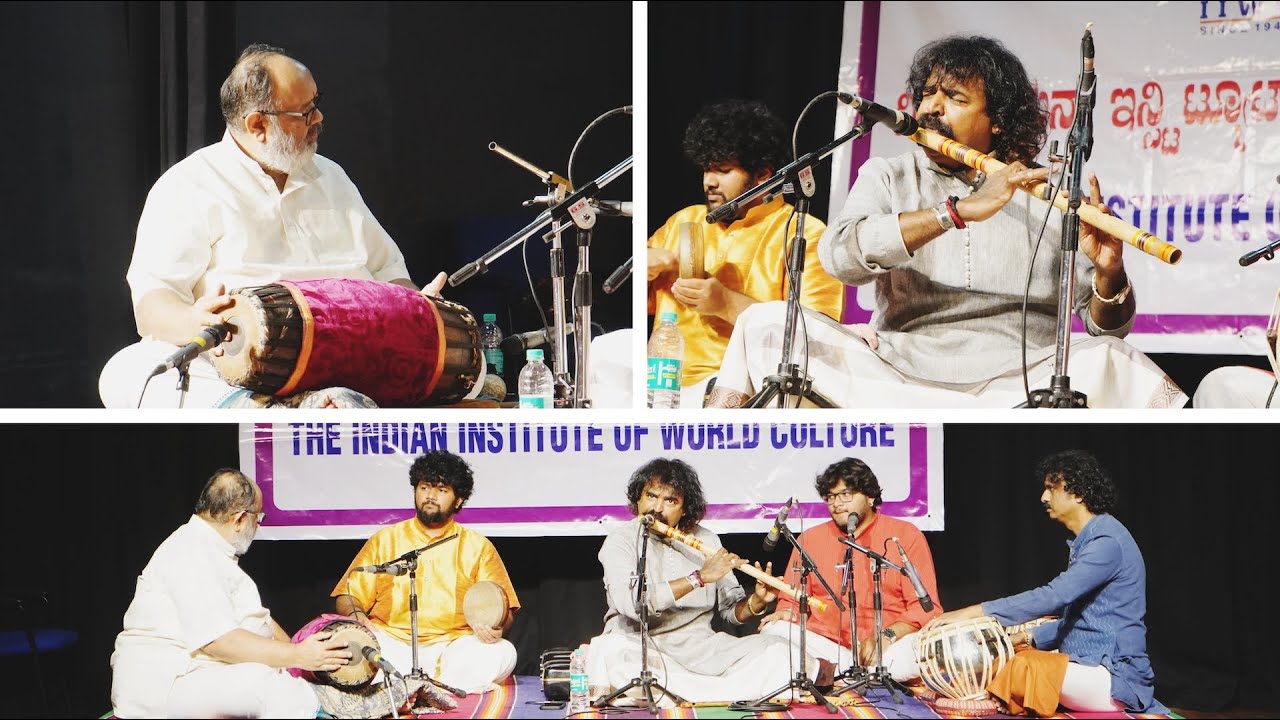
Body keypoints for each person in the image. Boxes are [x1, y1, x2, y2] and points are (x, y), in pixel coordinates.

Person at [708, 35, 1186, 409]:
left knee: (1113, 360)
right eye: (926, 94)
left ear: (997, 120)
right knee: (764, 322)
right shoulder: (889, 175)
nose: (931, 108)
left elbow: (1107, 331)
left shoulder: (1047, 193)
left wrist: (1108, 274)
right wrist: (951, 213)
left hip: (1020, 382)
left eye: (953, 97)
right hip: (898, 373)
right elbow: (841, 256)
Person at [98, 43, 449, 409]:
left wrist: (417, 309)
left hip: (354, 357)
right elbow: (152, 302)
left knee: (471, 364)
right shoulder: (188, 184)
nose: (319, 118)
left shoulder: (332, 177)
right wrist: (192, 319)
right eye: (305, 112)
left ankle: (319, 402)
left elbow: (388, 270)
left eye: (317, 102)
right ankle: (273, 408)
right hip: (245, 368)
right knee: (128, 371)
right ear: (258, 125)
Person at [110, 469, 417, 718]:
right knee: (268, 687)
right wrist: (298, 656)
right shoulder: (190, 551)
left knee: (285, 680)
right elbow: (220, 642)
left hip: (195, 674)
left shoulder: (214, 552)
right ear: (240, 518)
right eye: (259, 518)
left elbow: (259, 621)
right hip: (165, 685)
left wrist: (302, 658)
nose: (258, 526)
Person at [925, 450, 1167, 714]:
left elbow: (1053, 596)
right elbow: (1079, 620)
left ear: (1078, 493)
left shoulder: (1106, 543)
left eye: (1052, 488)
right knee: (1011, 660)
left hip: (1114, 677)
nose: (1044, 497)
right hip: (1088, 668)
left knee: (1022, 667)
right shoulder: (1091, 539)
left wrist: (975, 612)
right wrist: (1024, 637)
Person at [648, 100, 844, 407]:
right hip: (661, 384)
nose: (708, 181)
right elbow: (640, 306)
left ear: (763, 175)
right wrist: (648, 272)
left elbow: (815, 340)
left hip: (740, 387)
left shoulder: (804, 232)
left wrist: (726, 303)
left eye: (723, 171)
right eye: (706, 169)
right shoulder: (683, 221)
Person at [586, 458, 806, 705]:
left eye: (670, 501)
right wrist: (698, 578)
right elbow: (632, 605)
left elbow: (731, 612)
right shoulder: (620, 542)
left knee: (780, 651)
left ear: (684, 509)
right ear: (638, 500)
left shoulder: (707, 541)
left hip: (702, 651)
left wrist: (756, 601)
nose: (657, 508)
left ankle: (685, 694)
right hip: (642, 649)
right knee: (609, 651)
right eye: (651, 496)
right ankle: (711, 692)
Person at [332, 450, 519, 695]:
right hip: (392, 642)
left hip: (454, 646)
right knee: (348, 645)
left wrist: (497, 628)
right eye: (424, 487)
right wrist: (357, 616)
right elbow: (348, 593)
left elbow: (504, 610)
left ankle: (413, 687)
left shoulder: (477, 546)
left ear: (458, 499)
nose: (430, 496)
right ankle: (435, 687)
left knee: (503, 652)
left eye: (441, 490)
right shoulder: (386, 539)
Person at [759, 458, 941, 683]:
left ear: (870, 496)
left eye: (846, 494)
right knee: (774, 631)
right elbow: (792, 601)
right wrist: (788, 613)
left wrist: (887, 636)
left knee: (930, 646)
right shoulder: (809, 540)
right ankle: (849, 673)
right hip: (829, 647)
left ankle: (839, 675)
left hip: (888, 647)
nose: (837, 504)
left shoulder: (904, 535)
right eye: (831, 497)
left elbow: (925, 608)